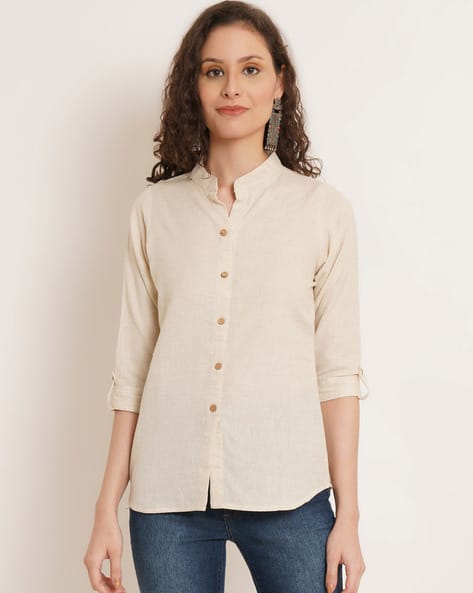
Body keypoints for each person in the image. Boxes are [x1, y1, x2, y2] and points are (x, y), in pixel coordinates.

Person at [83, 2, 370, 592]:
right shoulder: (154, 212)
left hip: (291, 493)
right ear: (194, 86)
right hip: (167, 500)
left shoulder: (323, 213)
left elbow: (337, 374)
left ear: (279, 82)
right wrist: (105, 507)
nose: (232, 87)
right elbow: (132, 371)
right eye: (214, 71)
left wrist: (349, 516)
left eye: (251, 69)